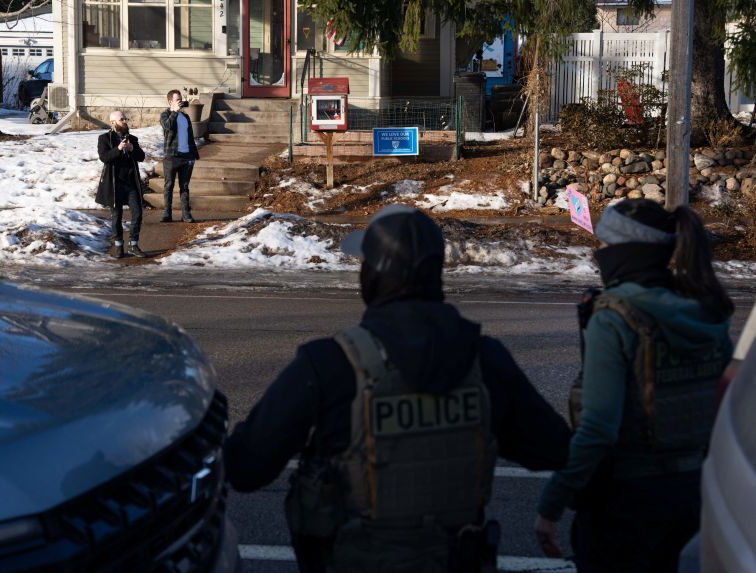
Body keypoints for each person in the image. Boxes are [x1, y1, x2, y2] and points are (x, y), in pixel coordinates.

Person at [225, 204, 572, 573]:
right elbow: (555, 450)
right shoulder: (485, 360)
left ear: (375, 274)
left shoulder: (330, 363)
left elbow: (247, 468)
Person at [534, 199, 734, 573]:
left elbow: (597, 429)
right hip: (693, 493)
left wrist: (552, 504)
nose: (600, 254)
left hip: (628, 502)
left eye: (605, 244)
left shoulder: (616, 317)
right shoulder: (706, 310)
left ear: (627, 251)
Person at [96, 110, 146, 259]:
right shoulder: (104, 138)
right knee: (116, 216)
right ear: (113, 122)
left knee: (137, 213)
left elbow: (141, 157)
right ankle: (118, 245)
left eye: (125, 119)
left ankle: (133, 244)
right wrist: (118, 149)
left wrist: (132, 149)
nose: (125, 121)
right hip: (114, 184)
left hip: (130, 183)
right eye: (121, 119)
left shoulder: (132, 139)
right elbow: (104, 157)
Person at [159, 89, 200, 223]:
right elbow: (167, 127)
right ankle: (167, 212)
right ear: (170, 102)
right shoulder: (165, 115)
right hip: (171, 156)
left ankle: (186, 213)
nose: (180, 102)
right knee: (168, 185)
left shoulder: (185, 117)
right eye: (177, 100)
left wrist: (193, 155)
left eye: (181, 100)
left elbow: (190, 137)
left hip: (187, 156)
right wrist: (174, 112)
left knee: (184, 186)